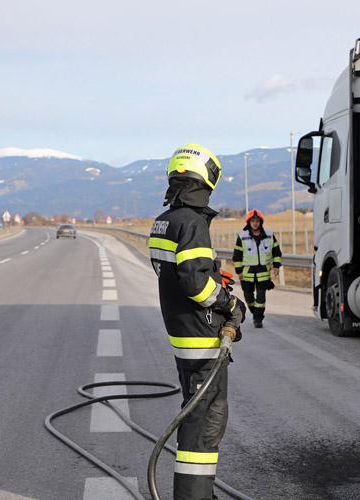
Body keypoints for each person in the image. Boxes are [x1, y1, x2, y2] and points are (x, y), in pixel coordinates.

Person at [148, 143, 246, 500]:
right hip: (201, 336)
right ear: (205, 180)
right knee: (205, 420)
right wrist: (228, 302)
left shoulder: (165, 220)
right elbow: (193, 283)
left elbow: (174, 273)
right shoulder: (192, 223)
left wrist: (212, 277)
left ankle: (194, 493)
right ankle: (194, 496)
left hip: (181, 332)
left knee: (195, 413)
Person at [232, 209, 282, 328]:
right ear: (249, 222)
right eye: (253, 221)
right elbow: (237, 255)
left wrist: (276, 266)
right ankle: (255, 313)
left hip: (263, 273)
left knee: (261, 298)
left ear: (261, 222)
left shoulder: (269, 235)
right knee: (249, 298)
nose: (255, 223)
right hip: (247, 274)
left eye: (257, 221)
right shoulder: (242, 237)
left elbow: (276, 252)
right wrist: (239, 271)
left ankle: (258, 319)